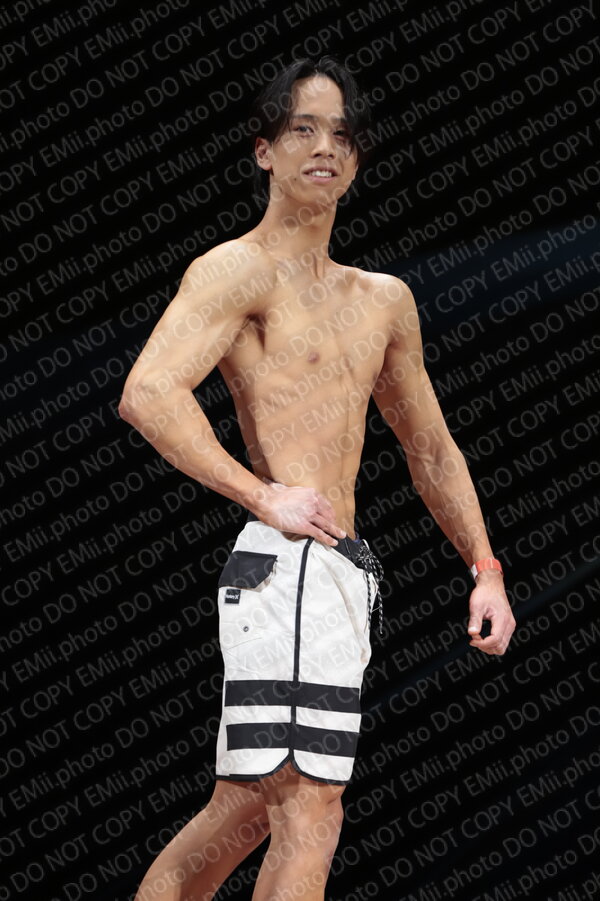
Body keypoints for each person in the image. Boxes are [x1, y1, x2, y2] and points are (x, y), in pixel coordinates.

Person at [119, 55, 516, 901]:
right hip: (286, 567)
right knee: (311, 806)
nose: (325, 146)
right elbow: (148, 392)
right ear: (264, 151)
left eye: (341, 133)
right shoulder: (237, 269)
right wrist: (262, 495)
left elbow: (431, 447)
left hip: (339, 574)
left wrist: (485, 566)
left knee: (246, 808)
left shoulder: (382, 298)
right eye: (303, 128)